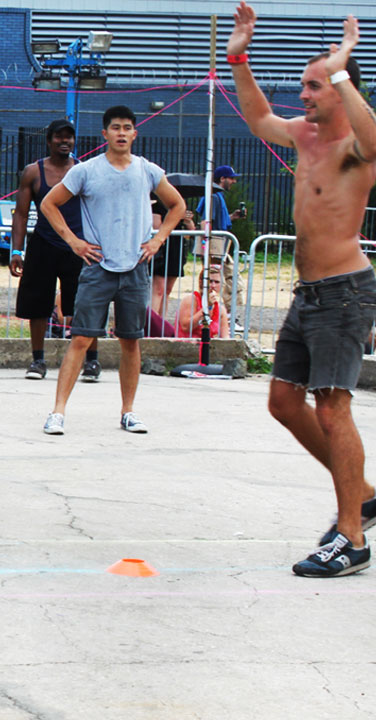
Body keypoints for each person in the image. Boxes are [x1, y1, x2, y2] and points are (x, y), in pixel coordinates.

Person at [229, 3, 376, 577]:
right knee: (284, 402)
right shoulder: (304, 135)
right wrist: (239, 57)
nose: (304, 95)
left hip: (344, 292)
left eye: (314, 86)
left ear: (340, 89)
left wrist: (340, 68)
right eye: (304, 85)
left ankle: (351, 538)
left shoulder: (355, 146)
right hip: (308, 293)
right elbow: (258, 117)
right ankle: (364, 495)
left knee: (333, 408)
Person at [40, 105, 185, 435]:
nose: (122, 133)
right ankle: (58, 412)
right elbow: (49, 203)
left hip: (135, 267)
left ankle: (128, 411)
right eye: (116, 128)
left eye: (127, 128)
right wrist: (74, 241)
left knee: (130, 341)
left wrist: (158, 239)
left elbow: (178, 205)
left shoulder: (147, 170)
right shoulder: (87, 171)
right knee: (81, 338)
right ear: (105, 134)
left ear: (135, 133)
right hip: (98, 266)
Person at [10, 119, 100, 381]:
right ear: (49, 141)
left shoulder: (84, 171)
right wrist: (17, 251)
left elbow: (97, 209)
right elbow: (21, 214)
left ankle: (92, 361)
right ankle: (38, 360)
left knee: (85, 303)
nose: (65, 142)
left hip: (78, 245)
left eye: (69, 137)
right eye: (59, 137)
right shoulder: (33, 172)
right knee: (37, 305)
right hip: (44, 243)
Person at [195, 165, 245, 316]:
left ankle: (224, 315)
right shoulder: (213, 196)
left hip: (220, 246)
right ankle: (217, 315)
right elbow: (205, 222)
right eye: (232, 178)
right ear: (222, 178)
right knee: (217, 281)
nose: (234, 181)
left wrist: (232, 217)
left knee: (228, 279)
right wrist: (207, 248)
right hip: (215, 247)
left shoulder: (217, 195)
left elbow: (216, 222)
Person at [148, 203, 197, 333]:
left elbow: (191, 232)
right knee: (159, 288)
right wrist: (175, 217)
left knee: (167, 290)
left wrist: (187, 221)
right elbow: (156, 227)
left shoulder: (181, 205)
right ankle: (151, 324)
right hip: (162, 249)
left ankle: (161, 324)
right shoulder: (157, 206)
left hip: (176, 248)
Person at [173, 265, 230, 338]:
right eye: (210, 281)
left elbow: (225, 337)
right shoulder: (190, 300)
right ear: (201, 282)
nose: (213, 285)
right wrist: (207, 308)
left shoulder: (220, 309)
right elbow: (185, 327)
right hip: (186, 343)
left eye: (217, 282)